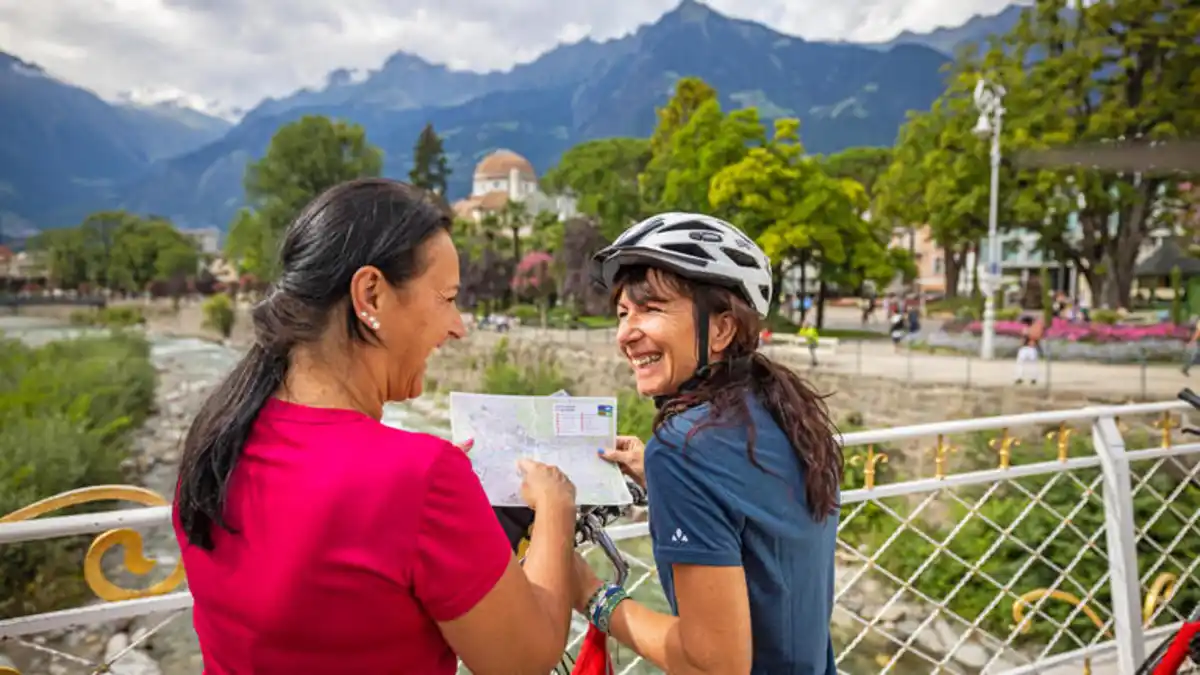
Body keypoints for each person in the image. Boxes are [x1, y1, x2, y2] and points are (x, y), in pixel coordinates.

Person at [173, 178, 578, 675]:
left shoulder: (217, 438)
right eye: (447, 298)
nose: (459, 327)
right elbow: (525, 660)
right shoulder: (420, 477)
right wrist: (556, 509)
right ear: (371, 295)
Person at [578, 212, 843, 674]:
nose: (626, 333)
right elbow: (755, 524)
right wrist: (656, 474)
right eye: (623, 313)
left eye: (652, 308)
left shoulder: (684, 448)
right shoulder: (781, 411)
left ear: (721, 329)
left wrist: (585, 591)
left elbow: (714, 665)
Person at [1015, 315, 1040, 385]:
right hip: (1024, 348)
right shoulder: (1025, 328)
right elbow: (1022, 338)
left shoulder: (1035, 328)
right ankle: (1019, 377)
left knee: (1033, 363)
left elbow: (1037, 337)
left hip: (1032, 347)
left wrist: (1028, 334)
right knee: (1020, 362)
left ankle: (1034, 378)